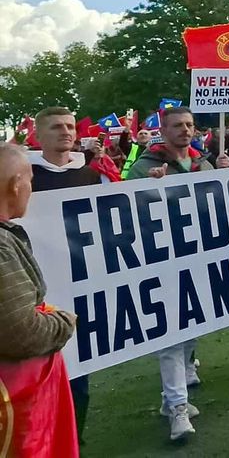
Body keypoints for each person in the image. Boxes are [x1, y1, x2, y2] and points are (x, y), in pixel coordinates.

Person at [128, 106, 229, 442]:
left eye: (190, 125)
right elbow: (122, 208)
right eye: (178, 125)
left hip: (200, 257)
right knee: (170, 334)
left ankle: (170, 399)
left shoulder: (203, 162)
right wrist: (145, 190)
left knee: (193, 325)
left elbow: (222, 206)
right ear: (162, 130)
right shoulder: (144, 168)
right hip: (162, 260)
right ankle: (178, 407)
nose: (185, 130)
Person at [26, 107, 111, 442]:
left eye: (70, 126)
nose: (65, 132)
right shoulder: (25, 176)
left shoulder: (91, 174)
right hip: (35, 287)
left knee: (77, 371)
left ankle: (73, 438)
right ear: (39, 134)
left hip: (80, 282)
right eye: (56, 127)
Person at [0, 142, 81, 455]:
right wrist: (63, 320)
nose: (31, 188)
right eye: (30, 179)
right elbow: (21, 332)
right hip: (14, 406)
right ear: (15, 184)